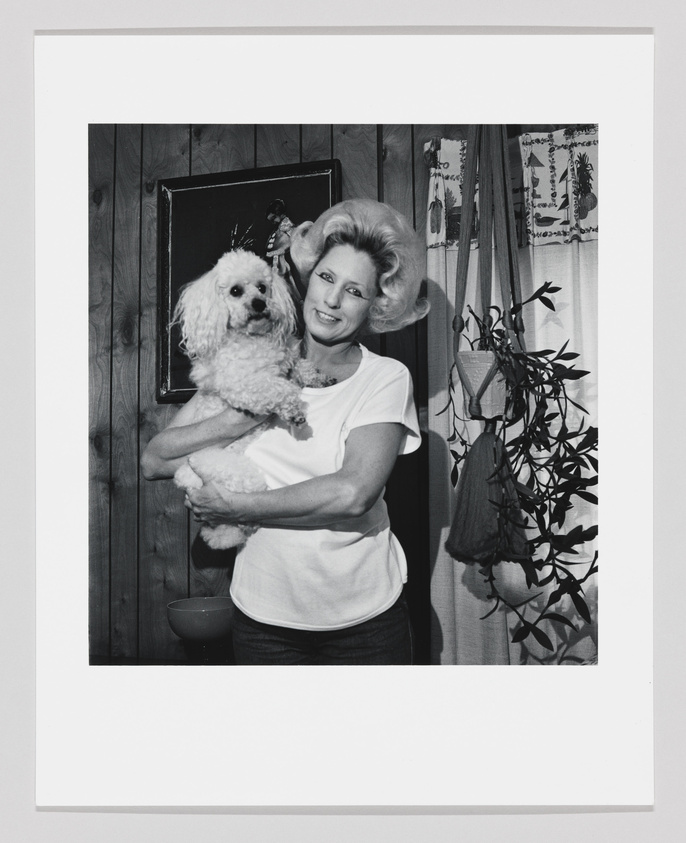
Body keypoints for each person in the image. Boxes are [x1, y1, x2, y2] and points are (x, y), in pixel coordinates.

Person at [141, 198, 430, 665]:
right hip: (262, 616)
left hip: (363, 619)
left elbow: (352, 493)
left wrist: (238, 507)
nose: (333, 300)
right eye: (327, 278)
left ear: (377, 304)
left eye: (355, 291)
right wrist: (241, 416)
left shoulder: (385, 378)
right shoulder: (251, 359)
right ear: (306, 278)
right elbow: (156, 460)